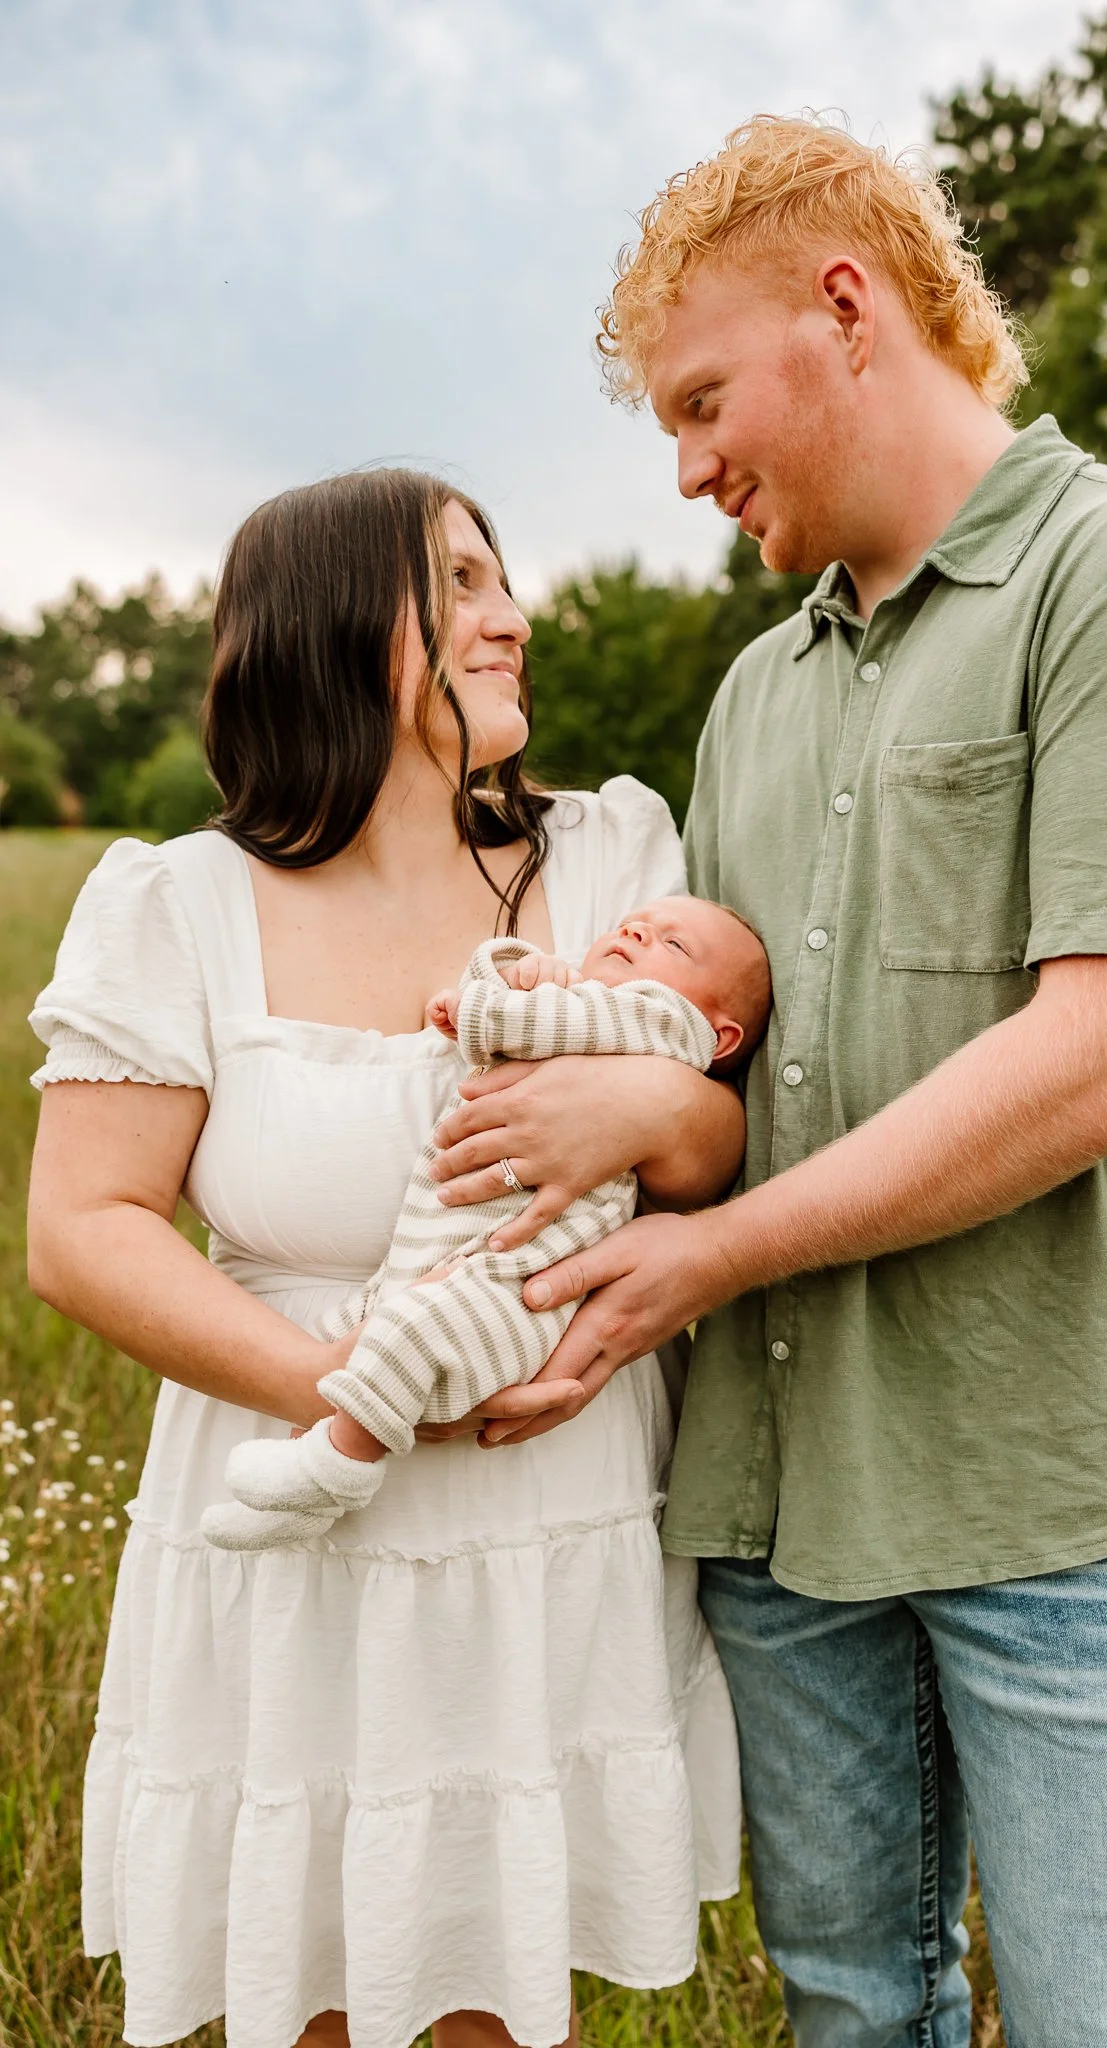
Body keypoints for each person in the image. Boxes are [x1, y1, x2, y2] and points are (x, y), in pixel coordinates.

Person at [450, 118, 1107, 2046]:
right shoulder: (757, 691)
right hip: (786, 1497)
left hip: (1059, 1486)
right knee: (854, 2005)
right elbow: (729, 1060)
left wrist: (713, 1249)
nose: (685, 470)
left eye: (700, 399)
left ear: (848, 307)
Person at [26, 469, 742, 2048]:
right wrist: (355, 1391)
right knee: (317, 1989)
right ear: (342, 626)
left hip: (543, 1521)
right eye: (464, 584)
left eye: (505, 576)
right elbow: (81, 1234)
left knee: (496, 1980)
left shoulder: (612, 857)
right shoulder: (180, 904)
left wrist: (648, 1105)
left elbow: (712, 1149)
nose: (515, 617)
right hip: (302, 1520)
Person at [200, 903, 770, 1549]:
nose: (637, 933)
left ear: (720, 1037)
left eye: (673, 944)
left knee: (411, 1336)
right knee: (352, 1336)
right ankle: (300, 1485)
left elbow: (527, 1022)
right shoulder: (581, 1008)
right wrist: (511, 972)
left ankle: (337, 1469)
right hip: (450, 1263)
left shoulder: (662, 1028)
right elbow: (526, 1008)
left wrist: (483, 1002)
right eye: (633, 923)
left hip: (517, 1285)